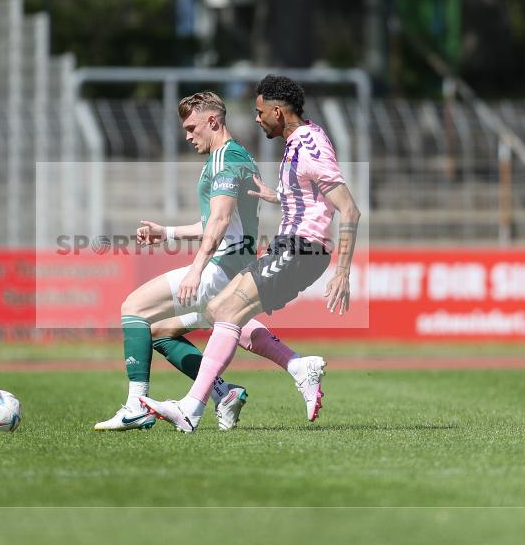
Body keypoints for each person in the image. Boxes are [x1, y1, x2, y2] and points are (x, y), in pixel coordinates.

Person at [93, 91, 326, 432]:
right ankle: (236, 387)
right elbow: (216, 221)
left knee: (135, 308)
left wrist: (196, 270)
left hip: (222, 266)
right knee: (167, 331)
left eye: (192, 128)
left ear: (213, 121)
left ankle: (135, 406)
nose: (188, 136)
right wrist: (167, 232)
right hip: (236, 265)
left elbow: (219, 221)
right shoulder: (238, 155)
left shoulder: (224, 158)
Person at [140, 75, 362, 433]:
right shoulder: (301, 139)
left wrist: (343, 272)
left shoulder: (308, 146)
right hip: (291, 247)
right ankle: (297, 367)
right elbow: (312, 194)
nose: (256, 119)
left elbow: (349, 209)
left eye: (260, 112)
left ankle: (191, 408)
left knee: (226, 310)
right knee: (219, 309)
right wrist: (279, 195)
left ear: (278, 111)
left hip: (301, 249)